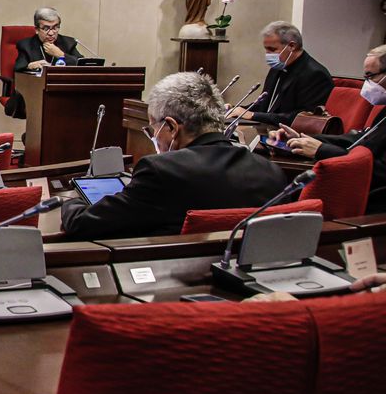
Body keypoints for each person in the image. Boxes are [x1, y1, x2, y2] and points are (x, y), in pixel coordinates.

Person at [61, 71, 288, 239]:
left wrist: (71, 202)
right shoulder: (270, 171)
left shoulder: (162, 171)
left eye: (152, 129)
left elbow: (85, 225)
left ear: (170, 126)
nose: (154, 138)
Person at [268, 44, 386, 213]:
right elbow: (359, 140)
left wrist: (322, 150)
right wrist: (305, 138)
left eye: (370, 76)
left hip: (373, 206)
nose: (366, 84)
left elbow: (378, 170)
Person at [228, 21, 332, 127]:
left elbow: (303, 118)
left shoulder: (315, 74)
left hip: (293, 137)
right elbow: (264, 106)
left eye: (272, 49)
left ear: (292, 46)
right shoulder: (278, 67)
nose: (268, 55)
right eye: (266, 49)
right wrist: (235, 109)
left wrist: (253, 115)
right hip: (268, 130)